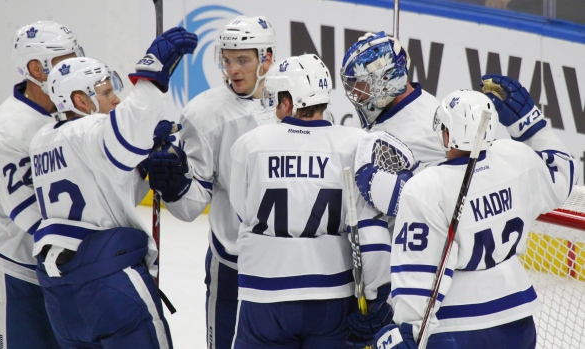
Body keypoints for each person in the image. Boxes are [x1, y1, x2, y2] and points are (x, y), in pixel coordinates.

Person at [374, 78, 576, 348]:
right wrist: (531, 124)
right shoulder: (515, 158)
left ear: (446, 134)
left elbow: (418, 270)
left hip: (458, 327)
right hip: (519, 322)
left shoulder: (426, 186)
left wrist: (408, 330)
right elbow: (562, 174)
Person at [28, 28, 197, 348]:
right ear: (80, 100)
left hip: (60, 296)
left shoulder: (43, 140)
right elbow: (134, 121)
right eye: (106, 92)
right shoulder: (89, 130)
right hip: (109, 285)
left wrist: (140, 166)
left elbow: (105, 193)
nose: (116, 98)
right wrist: (152, 74)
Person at [227, 53, 393, 348]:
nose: (273, 105)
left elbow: (242, 210)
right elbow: (370, 232)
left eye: (277, 98)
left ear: (289, 102)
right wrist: (376, 296)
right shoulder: (355, 144)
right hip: (330, 299)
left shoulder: (251, 144)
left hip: (264, 295)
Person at [147, 15, 277, 348]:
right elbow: (192, 206)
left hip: (289, 261)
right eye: (227, 59)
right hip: (232, 261)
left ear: (267, 58)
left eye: (243, 60)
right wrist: (174, 185)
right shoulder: (204, 113)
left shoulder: (293, 101)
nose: (233, 69)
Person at [0, 20, 84, 349]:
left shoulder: (66, 107)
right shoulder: (11, 130)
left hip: (58, 270)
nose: (73, 66)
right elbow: (27, 214)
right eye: (64, 60)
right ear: (37, 68)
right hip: (18, 271)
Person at [339, 31, 447, 345]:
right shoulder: (403, 115)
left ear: (384, 79)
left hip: (423, 272)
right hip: (404, 268)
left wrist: (378, 300)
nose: (356, 95)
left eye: (360, 85)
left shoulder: (430, 122)